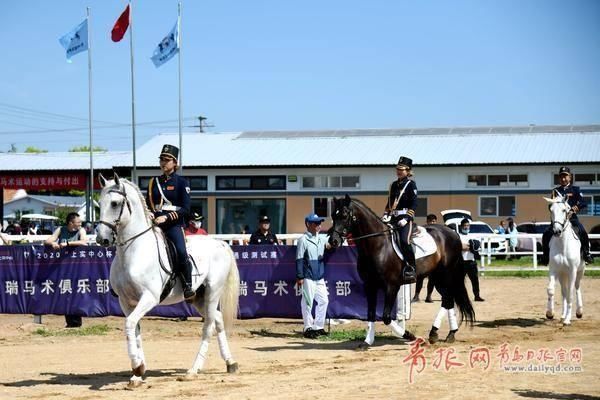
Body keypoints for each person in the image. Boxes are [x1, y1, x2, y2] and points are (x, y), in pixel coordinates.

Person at [146, 144, 195, 302]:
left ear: (175, 163)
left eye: (167, 160)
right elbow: (148, 204)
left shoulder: (182, 182)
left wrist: (167, 217)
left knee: (181, 251)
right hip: (155, 223)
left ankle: (188, 285)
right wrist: (150, 214)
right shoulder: (154, 182)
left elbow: (186, 209)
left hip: (173, 224)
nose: (163, 163)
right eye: (161, 159)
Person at [44, 212, 88, 327]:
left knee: (76, 293)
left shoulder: (81, 230)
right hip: (63, 267)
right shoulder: (60, 229)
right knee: (65, 292)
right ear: (71, 223)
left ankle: (77, 322)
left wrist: (67, 243)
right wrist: (53, 243)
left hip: (77, 267)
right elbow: (47, 241)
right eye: (78, 222)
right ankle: (70, 322)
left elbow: (84, 241)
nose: (80, 223)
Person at [541, 167, 593, 265]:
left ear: (570, 177)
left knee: (583, 232)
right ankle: (545, 256)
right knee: (546, 234)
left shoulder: (575, 189)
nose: (563, 179)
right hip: (559, 220)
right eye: (561, 177)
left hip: (572, 218)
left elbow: (583, 203)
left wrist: (573, 209)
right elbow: (552, 205)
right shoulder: (555, 191)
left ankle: (586, 254)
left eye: (565, 176)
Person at [296, 213, 333, 339]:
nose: (319, 225)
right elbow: (299, 259)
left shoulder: (322, 238)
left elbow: (330, 244)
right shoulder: (303, 240)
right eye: (316, 223)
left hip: (319, 276)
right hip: (308, 276)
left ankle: (318, 327)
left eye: (319, 223)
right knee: (307, 302)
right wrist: (300, 276)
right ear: (309, 224)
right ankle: (308, 327)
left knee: (324, 300)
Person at [382, 156, 417, 283]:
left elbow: (414, 204)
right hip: (392, 217)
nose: (399, 171)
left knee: (404, 241)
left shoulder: (411, 184)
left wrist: (407, 218)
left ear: (408, 171)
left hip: (404, 218)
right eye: (398, 169)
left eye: (402, 170)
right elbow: (390, 202)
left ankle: (411, 268)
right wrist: (386, 213)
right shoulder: (393, 185)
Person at [458, 218, 485, 302]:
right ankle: (460, 296)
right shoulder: (458, 236)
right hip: (461, 262)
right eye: (465, 226)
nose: (466, 227)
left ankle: (477, 296)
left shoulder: (472, 235)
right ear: (461, 226)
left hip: (471, 261)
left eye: (467, 225)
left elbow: (477, 246)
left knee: (475, 280)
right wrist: (470, 246)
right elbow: (459, 247)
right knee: (460, 281)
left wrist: (467, 246)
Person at [413, 213, 437, 302]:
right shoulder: (423, 230)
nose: (432, 223)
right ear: (427, 222)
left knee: (432, 278)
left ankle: (429, 296)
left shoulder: (437, 232)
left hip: (433, 256)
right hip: (424, 256)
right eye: (430, 221)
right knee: (420, 277)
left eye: (434, 221)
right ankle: (416, 295)